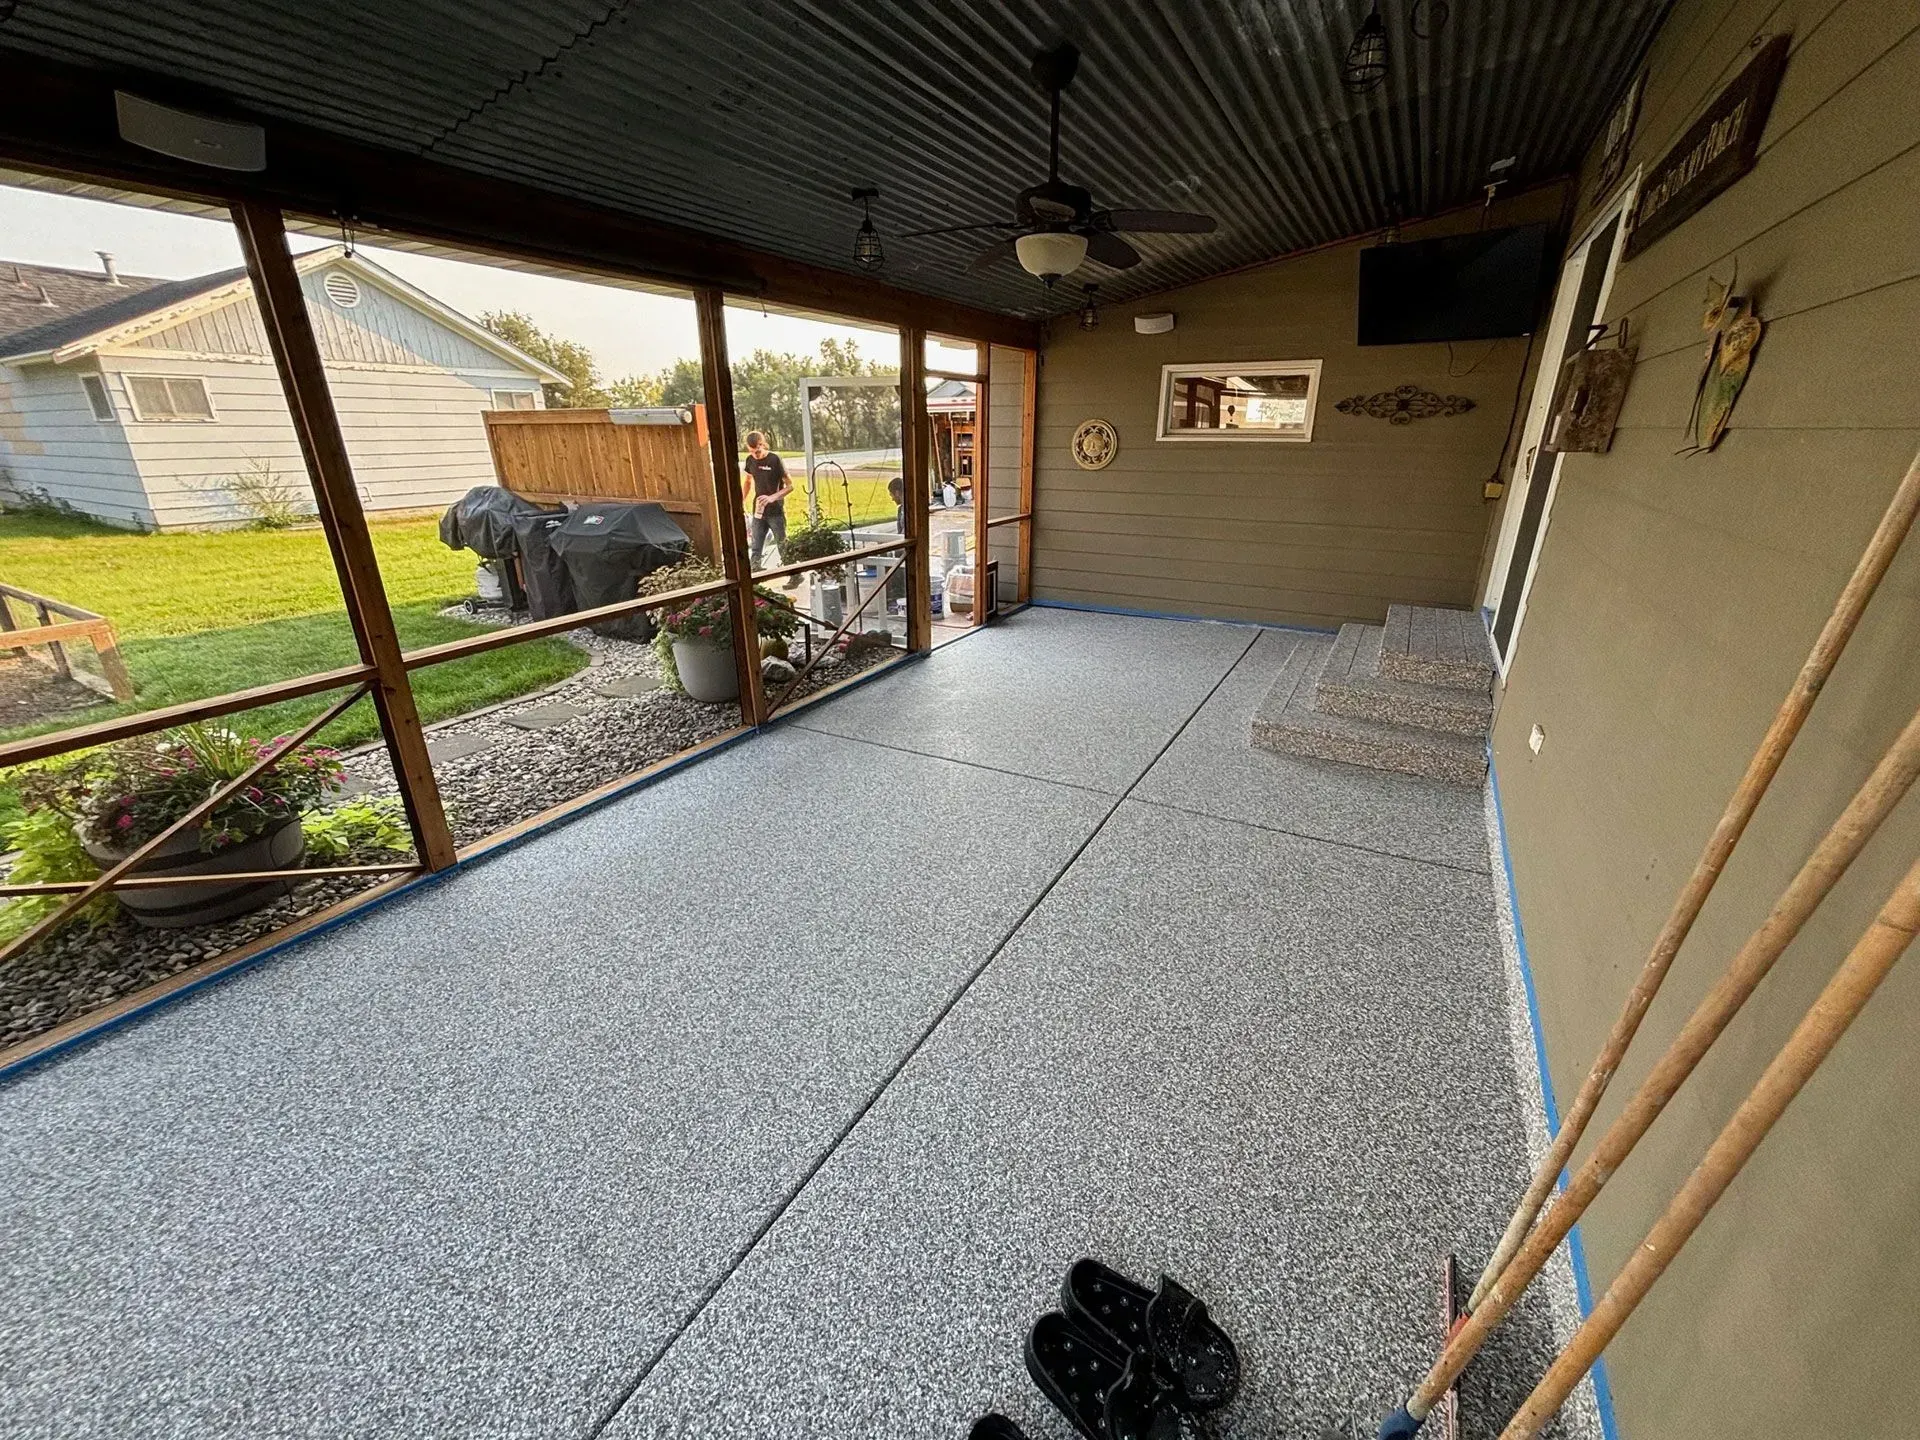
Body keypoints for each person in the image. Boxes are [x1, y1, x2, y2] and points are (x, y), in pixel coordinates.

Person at [740, 431, 793, 581]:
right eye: (751, 452)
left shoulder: (774, 459)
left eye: (757, 451)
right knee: (756, 545)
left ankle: (794, 575)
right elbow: (748, 481)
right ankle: (754, 576)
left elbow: (790, 486)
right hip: (758, 510)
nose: (755, 455)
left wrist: (772, 497)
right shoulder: (750, 461)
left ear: (762, 445)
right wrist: (741, 500)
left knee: (782, 545)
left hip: (775, 511)